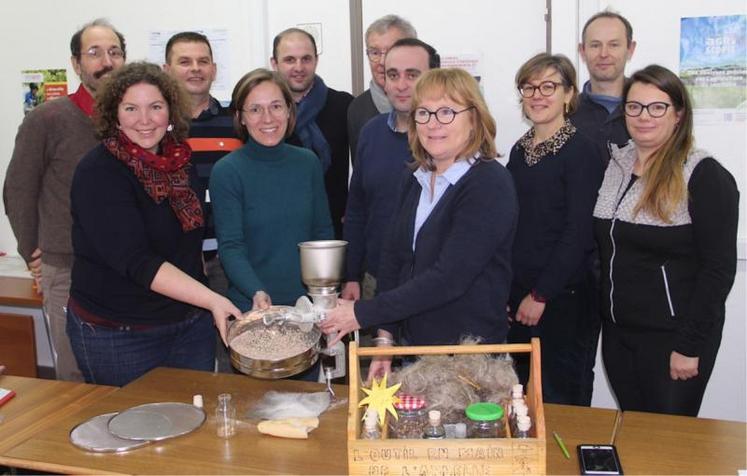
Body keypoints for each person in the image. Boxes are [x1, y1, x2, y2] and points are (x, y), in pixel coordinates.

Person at [322, 68, 518, 380]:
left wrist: (362, 313)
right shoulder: (416, 177)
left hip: (469, 358)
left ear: (475, 118)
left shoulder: (489, 182)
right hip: (415, 353)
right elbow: (394, 262)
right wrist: (385, 338)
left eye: (446, 112)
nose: (432, 123)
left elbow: (449, 277)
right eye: (423, 113)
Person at [66, 62, 241, 387]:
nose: (144, 120)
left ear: (171, 112)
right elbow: (137, 261)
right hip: (119, 333)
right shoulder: (99, 172)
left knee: (192, 425)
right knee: (131, 431)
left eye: (155, 107)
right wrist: (212, 299)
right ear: (114, 114)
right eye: (131, 108)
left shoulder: (180, 160)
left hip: (188, 325)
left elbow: (188, 241)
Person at [593, 65, 738, 416]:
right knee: (635, 433)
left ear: (678, 114)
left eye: (657, 107)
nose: (644, 116)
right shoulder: (617, 164)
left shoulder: (703, 174)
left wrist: (690, 346)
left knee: (668, 442)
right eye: (634, 106)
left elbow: (718, 271)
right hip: (619, 333)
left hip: (673, 339)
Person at [4, 18, 127, 382]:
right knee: (76, 373)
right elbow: (18, 189)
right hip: (67, 268)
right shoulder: (48, 118)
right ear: (76, 64)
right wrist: (32, 251)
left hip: (125, 269)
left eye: (114, 52)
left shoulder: (134, 119)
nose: (106, 61)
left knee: (122, 371)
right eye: (94, 53)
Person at [506, 54, 604, 406]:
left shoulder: (583, 151)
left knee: (560, 395)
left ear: (569, 94)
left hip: (563, 298)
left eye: (549, 86)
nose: (538, 94)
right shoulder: (520, 151)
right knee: (521, 398)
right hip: (519, 296)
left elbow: (578, 233)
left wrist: (541, 294)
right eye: (529, 86)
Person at [163, 31, 241, 373]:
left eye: (202, 61)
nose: (195, 69)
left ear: (214, 68)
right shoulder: (155, 127)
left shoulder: (237, 123)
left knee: (231, 358)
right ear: (166, 69)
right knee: (182, 367)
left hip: (226, 263)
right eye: (184, 62)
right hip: (174, 266)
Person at [342, 38, 440, 302]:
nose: (401, 85)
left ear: (433, 77)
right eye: (393, 75)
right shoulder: (371, 133)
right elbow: (357, 210)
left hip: (430, 282)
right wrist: (351, 275)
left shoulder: (444, 138)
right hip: (376, 280)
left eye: (413, 75)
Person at [271, 28, 353, 239]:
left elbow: (363, 167)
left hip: (333, 230)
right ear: (274, 63)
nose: (299, 67)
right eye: (289, 59)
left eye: (306, 59)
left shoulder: (343, 105)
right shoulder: (265, 113)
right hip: (277, 229)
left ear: (316, 61)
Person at [347, 14, 417, 164]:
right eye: (375, 52)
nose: (382, 61)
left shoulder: (434, 104)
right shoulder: (357, 108)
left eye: (392, 51)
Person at [572, 10, 637, 160]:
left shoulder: (652, 112)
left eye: (614, 45)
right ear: (582, 51)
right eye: (595, 45)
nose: (603, 54)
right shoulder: (565, 115)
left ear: (630, 49)